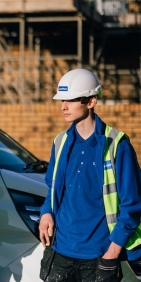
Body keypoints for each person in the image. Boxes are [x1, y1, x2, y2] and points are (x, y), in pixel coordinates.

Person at [39, 68, 141, 281]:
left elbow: (132, 204)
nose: (63, 107)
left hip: (100, 255)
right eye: (62, 100)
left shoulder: (117, 145)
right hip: (60, 252)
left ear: (91, 102)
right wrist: (46, 212)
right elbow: (53, 188)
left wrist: (112, 252)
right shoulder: (60, 142)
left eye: (71, 100)